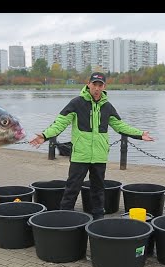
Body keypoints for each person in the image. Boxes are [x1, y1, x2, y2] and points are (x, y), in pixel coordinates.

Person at [29, 72, 154, 220]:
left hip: (99, 157)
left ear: (104, 87)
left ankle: (98, 220)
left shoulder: (107, 107)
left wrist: (139, 134)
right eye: (94, 84)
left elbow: (120, 126)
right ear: (88, 84)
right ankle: (63, 218)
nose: (96, 88)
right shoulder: (76, 103)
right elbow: (60, 123)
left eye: (100, 85)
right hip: (80, 156)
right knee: (71, 189)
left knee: (98, 191)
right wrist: (44, 135)